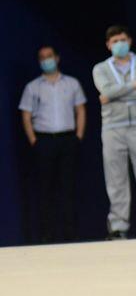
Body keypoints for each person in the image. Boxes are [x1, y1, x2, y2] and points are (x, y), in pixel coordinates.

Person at [91, 25, 136, 239]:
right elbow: (106, 90)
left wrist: (113, 94)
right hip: (113, 128)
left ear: (129, 41)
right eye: (115, 41)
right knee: (116, 178)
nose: (119, 44)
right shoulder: (101, 68)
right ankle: (118, 226)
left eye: (122, 40)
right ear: (108, 45)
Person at [18, 46, 86, 243]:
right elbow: (26, 115)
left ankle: (71, 235)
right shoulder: (33, 87)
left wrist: (78, 136)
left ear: (57, 58)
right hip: (44, 141)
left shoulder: (71, 83)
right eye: (42, 58)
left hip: (67, 139)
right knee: (45, 189)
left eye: (49, 56)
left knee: (68, 187)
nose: (46, 60)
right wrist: (33, 140)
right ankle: (47, 236)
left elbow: (80, 110)